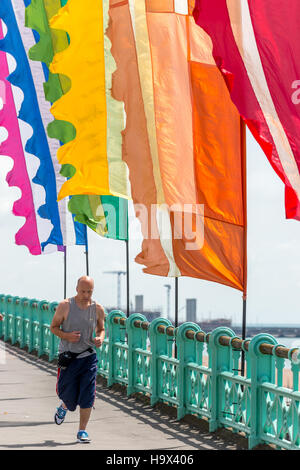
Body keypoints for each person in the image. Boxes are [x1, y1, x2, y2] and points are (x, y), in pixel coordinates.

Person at [50, 275, 105, 443]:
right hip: (68, 357)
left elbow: (101, 329)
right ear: (76, 289)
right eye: (83, 291)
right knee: (68, 393)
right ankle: (64, 405)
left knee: (88, 395)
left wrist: (100, 339)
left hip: (88, 356)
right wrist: (66, 335)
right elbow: (53, 327)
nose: (86, 295)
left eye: (89, 291)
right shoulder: (65, 306)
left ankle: (82, 431)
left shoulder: (97, 308)